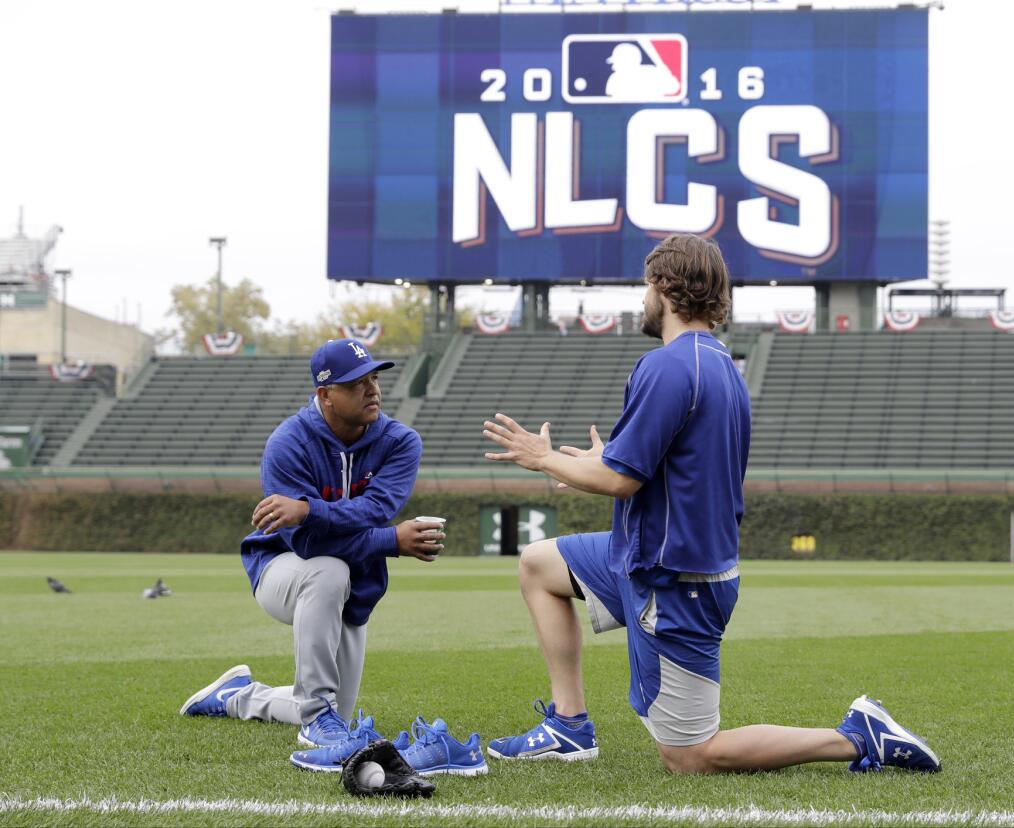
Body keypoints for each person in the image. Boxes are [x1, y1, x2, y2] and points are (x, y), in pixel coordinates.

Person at [482, 234, 940, 775]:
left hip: (677, 579)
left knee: (690, 756)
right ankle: (567, 725)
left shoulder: (668, 366)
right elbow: (650, 468)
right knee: (539, 565)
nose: (643, 299)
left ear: (665, 287)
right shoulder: (719, 364)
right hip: (652, 556)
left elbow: (620, 481)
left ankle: (856, 736)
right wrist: (602, 464)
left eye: (646, 286)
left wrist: (544, 457)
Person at [179, 338, 445, 771]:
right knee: (327, 569)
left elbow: (377, 510)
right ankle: (315, 715)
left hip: (354, 584)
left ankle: (237, 696)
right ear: (325, 395)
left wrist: (308, 509)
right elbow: (305, 543)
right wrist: (390, 542)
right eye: (357, 383)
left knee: (337, 712)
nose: (373, 390)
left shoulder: (399, 441)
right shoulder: (289, 442)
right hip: (282, 569)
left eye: (374, 378)